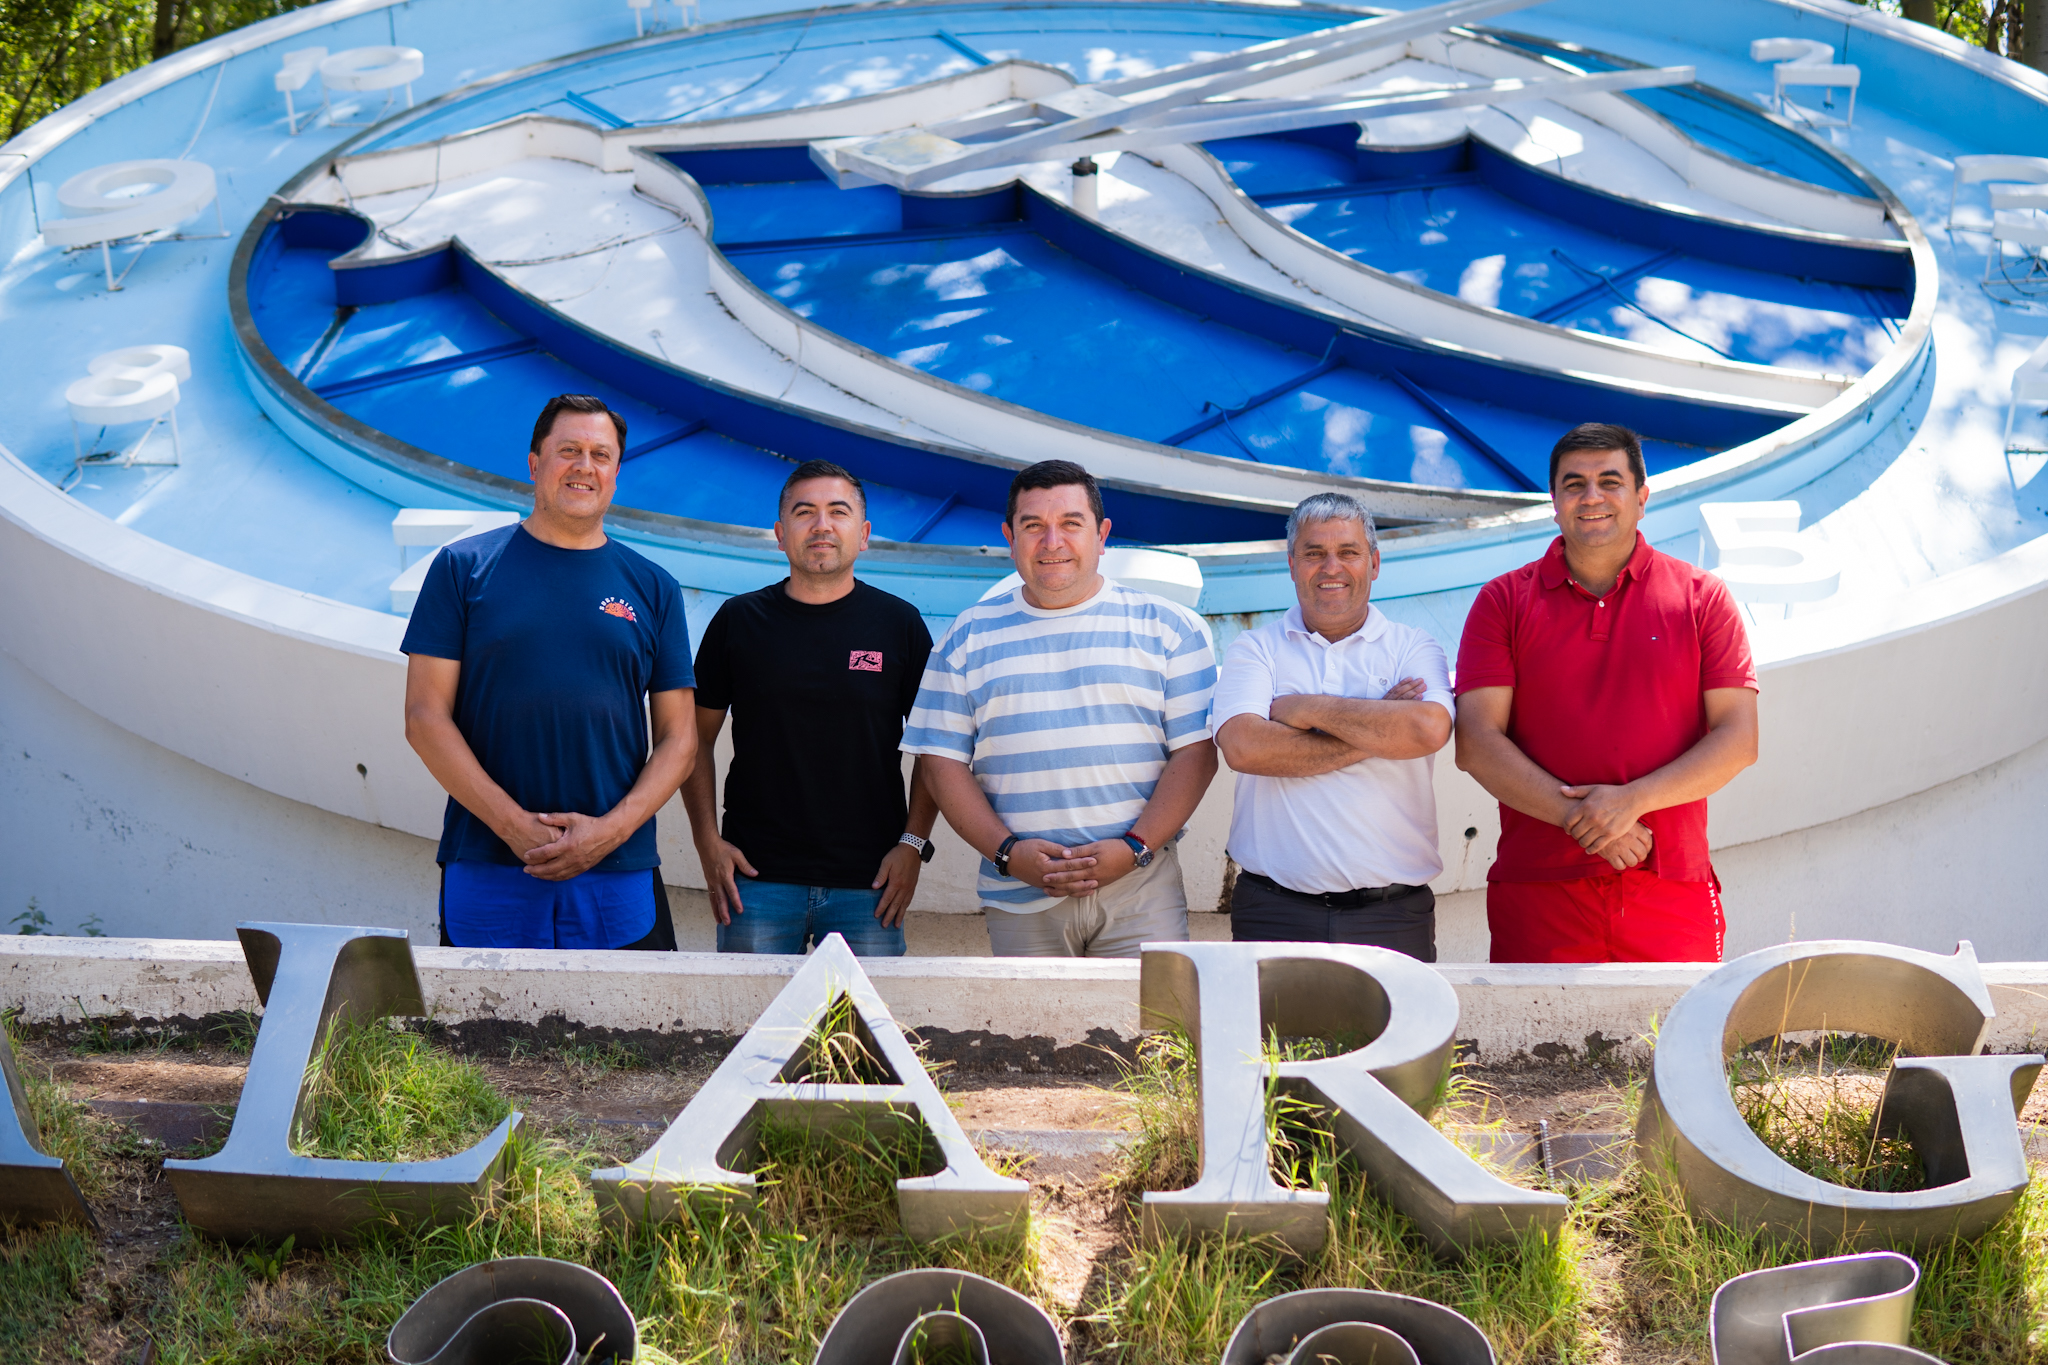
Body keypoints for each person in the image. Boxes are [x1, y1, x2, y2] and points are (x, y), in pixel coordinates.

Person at [1454, 422, 1759, 963]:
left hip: (1669, 885)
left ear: (1642, 497)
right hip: (1540, 891)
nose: (1591, 497)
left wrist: (1632, 803)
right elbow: (1476, 741)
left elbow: (1739, 739)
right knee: (1536, 1048)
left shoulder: (1701, 597)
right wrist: (1591, 821)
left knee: (1673, 1045)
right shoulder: (1502, 601)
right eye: (1574, 484)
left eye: (1610, 481)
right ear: (1554, 502)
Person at [401, 394, 697, 950]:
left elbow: (680, 739)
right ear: (535, 463)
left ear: (615, 473)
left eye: (601, 455)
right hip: (489, 856)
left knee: (628, 1035)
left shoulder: (654, 587)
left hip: (616, 864)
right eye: (569, 450)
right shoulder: (463, 569)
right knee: (483, 1037)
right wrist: (513, 825)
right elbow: (424, 716)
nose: (585, 466)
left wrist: (609, 832)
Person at [903, 460, 1219, 958]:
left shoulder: (1170, 628)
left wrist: (1134, 848)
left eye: (1071, 523)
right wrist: (1008, 855)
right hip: (1020, 894)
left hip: (1141, 889)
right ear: (1010, 535)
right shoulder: (967, 636)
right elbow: (940, 760)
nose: (1052, 542)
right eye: (1033, 526)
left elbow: (1197, 754)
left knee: (1153, 1033)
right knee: (1029, 1037)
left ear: (1102, 534)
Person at [683, 460, 939, 956]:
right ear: (780, 534)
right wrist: (706, 841)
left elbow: (936, 747)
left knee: (858, 1034)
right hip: (754, 881)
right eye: (805, 513)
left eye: (837, 512)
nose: (822, 525)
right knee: (755, 1028)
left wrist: (912, 846)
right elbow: (693, 738)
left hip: (869, 885)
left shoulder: (899, 625)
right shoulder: (739, 621)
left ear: (863, 534)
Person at [1211, 493, 1453, 959]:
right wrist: (1381, 720)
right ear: (1291, 563)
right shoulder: (1254, 649)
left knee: (1402, 1036)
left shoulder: (1412, 646)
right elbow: (1245, 749)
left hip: (1393, 915)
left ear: (1374, 562)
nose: (1331, 568)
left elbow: (1426, 731)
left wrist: (1309, 709)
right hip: (1272, 910)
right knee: (1267, 1036)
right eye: (1313, 553)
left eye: (1348, 552)